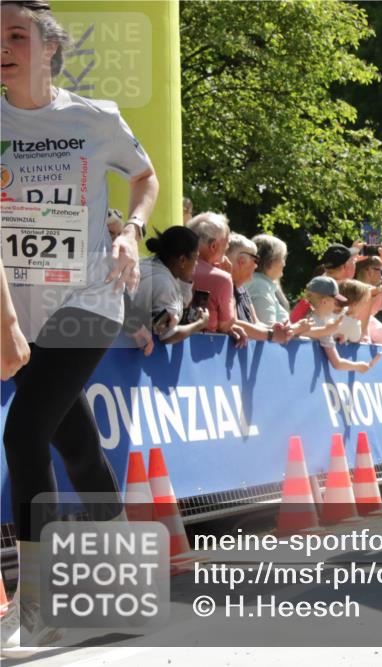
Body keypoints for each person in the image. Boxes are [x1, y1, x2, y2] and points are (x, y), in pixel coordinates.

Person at [1, 1, 159, 655]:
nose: (2, 47)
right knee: (78, 448)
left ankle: (38, 607)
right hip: (21, 305)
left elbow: (144, 177)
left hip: (90, 299)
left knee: (24, 430)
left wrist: (133, 234)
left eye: (15, 35)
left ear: (50, 49)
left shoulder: (96, 119)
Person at [131, 226, 210, 344]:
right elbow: (168, 336)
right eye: (195, 258)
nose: (196, 263)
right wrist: (200, 323)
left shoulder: (146, 265)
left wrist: (187, 280)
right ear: (182, 260)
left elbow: (175, 306)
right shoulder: (164, 284)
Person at [186, 211, 247, 345]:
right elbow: (226, 324)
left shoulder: (172, 264)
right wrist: (229, 278)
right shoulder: (221, 279)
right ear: (213, 246)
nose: (228, 247)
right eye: (227, 242)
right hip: (203, 352)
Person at [301, 276, 381, 373]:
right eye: (335, 302)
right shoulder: (324, 327)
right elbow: (337, 364)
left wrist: (334, 336)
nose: (337, 305)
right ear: (324, 302)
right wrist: (359, 366)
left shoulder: (307, 318)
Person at [245, 233, 290, 326]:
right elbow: (269, 328)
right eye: (282, 258)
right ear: (271, 260)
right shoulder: (260, 286)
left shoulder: (261, 283)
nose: (284, 264)